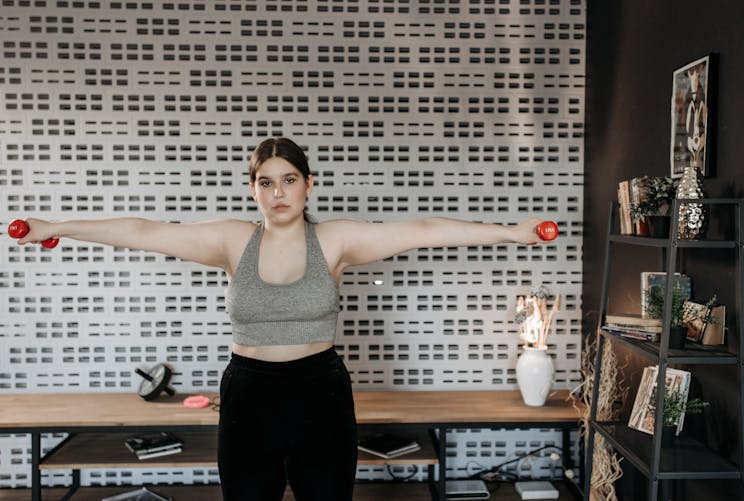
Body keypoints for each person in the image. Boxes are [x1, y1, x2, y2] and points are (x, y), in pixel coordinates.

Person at [14, 137, 549, 501]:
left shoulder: (335, 241)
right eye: (265, 183)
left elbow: (423, 229)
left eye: (288, 180)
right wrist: (52, 225)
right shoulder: (232, 241)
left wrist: (511, 232)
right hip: (249, 397)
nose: (277, 194)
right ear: (253, 189)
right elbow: (144, 231)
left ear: (308, 184)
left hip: (322, 393)